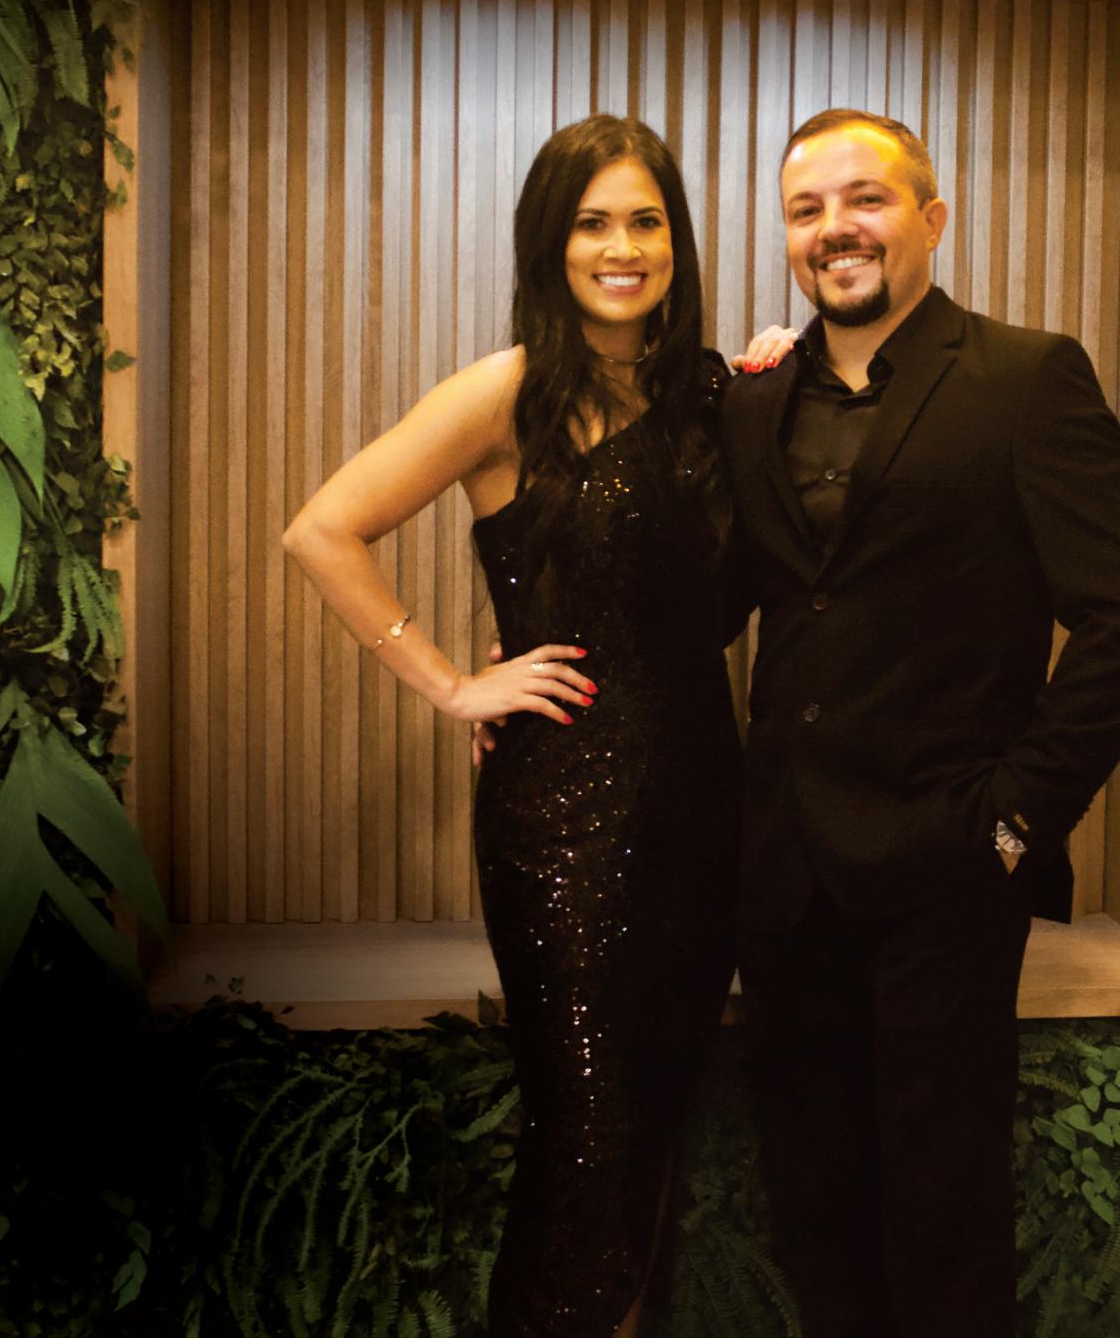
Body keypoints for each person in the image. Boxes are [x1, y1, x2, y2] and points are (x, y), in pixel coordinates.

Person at [283, 114, 790, 1338]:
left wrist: (780, 376)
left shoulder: (711, 394)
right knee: (585, 1133)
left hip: (702, 803)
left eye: (646, 220)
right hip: (565, 819)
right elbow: (322, 529)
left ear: (676, 239)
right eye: (593, 222)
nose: (623, 247)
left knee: (657, 1122)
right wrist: (453, 682)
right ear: (550, 243)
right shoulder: (508, 392)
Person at [720, 108, 1120, 1338]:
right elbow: (708, 601)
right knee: (812, 1215)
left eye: (864, 199)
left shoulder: (1027, 376)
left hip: (947, 874)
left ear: (931, 218)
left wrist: (1015, 821)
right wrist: (528, 651)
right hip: (784, 879)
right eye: (807, 209)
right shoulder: (753, 401)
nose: (835, 228)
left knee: (945, 1223)